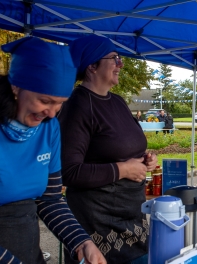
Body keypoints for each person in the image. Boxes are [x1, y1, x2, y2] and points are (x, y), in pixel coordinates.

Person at [0, 37, 105, 263]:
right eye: (45, 101)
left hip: (26, 248)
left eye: (60, 103)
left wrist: (81, 241)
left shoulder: (49, 128)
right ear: (16, 86)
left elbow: (50, 199)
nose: (52, 113)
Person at [58, 35, 157, 263]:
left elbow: (123, 147)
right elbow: (69, 171)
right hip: (98, 227)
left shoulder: (118, 101)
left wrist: (146, 159)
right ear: (92, 66)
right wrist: (122, 169)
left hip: (133, 217)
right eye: (114, 59)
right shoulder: (78, 105)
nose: (120, 64)